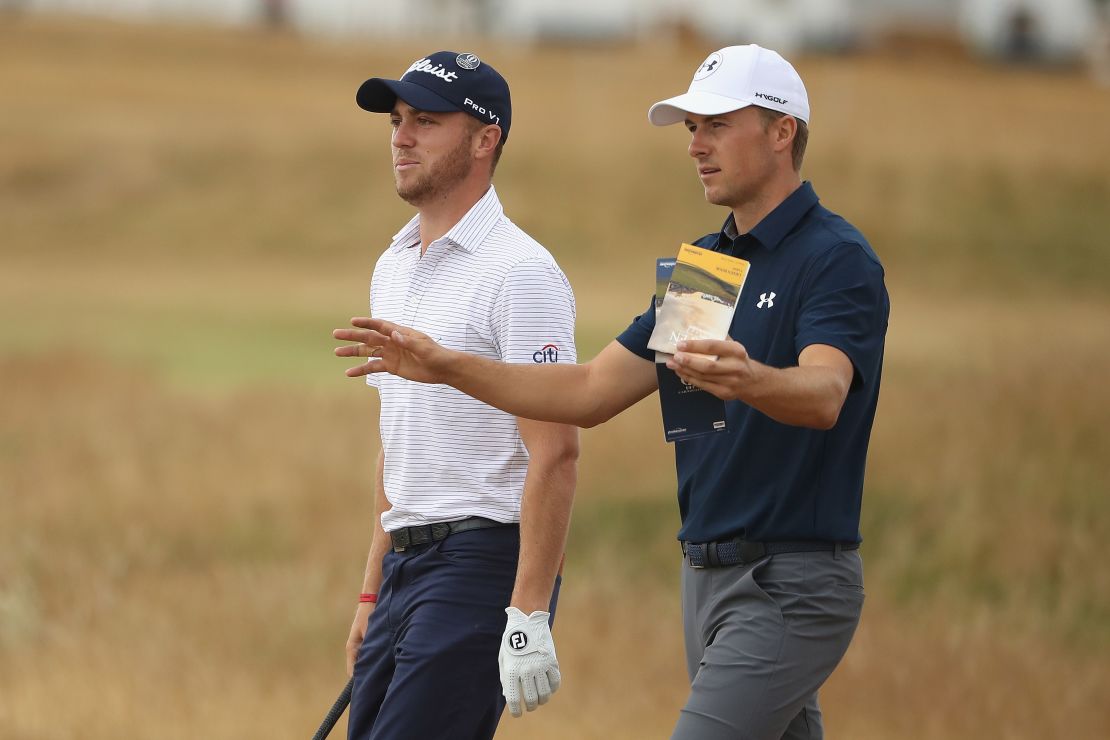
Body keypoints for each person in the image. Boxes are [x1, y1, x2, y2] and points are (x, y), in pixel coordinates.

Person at [336, 44, 889, 740]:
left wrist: (747, 378)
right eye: (691, 128)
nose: (697, 145)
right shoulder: (709, 269)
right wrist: (449, 366)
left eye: (716, 124)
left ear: (783, 133)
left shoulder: (835, 257)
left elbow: (825, 393)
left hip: (793, 579)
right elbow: (591, 391)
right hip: (707, 574)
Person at [339, 51, 580, 740]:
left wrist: (530, 612)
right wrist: (371, 588)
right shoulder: (393, 266)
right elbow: (401, 441)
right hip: (405, 568)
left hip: (481, 565)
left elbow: (556, 451)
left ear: (485, 140)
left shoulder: (521, 273)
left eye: (426, 121)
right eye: (396, 120)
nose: (401, 136)